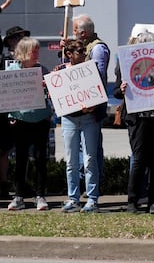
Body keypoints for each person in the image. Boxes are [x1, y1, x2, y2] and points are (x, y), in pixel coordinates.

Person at [113, 31, 154, 214]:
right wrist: (122, 89)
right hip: (139, 119)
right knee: (139, 160)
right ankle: (133, 202)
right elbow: (115, 92)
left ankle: (153, 202)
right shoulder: (126, 63)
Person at [5, 37, 53, 211]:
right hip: (20, 121)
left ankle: (40, 195)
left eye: (38, 50)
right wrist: (10, 114)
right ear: (24, 53)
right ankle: (19, 196)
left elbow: (53, 93)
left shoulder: (43, 70)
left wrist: (47, 87)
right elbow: (5, 95)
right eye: (34, 51)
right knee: (20, 159)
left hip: (40, 120)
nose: (37, 54)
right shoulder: (12, 70)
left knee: (40, 159)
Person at [58, 39, 102, 213]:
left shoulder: (90, 70)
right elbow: (57, 95)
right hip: (69, 119)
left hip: (88, 118)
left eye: (84, 51)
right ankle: (73, 198)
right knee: (71, 161)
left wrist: (93, 105)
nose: (84, 54)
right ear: (69, 54)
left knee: (90, 159)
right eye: (80, 52)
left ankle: (92, 199)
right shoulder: (60, 72)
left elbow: (99, 92)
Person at [67, 14, 110, 189]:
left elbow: (96, 76)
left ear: (83, 33)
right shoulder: (84, 47)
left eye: (75, 30)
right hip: (80, 104)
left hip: (92, 106)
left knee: (92, 149)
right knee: (82, 150)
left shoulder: (98, 49)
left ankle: (95, 185)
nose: (73, 33)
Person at [0, 25, 30, 198]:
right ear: (10, 41)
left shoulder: (28, 59)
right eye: (18, 38)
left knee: (23, 149)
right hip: (4, 110)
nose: (22, 41)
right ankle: (3, 184)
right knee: (4, 149)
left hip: (23, 109)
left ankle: (21, 183)